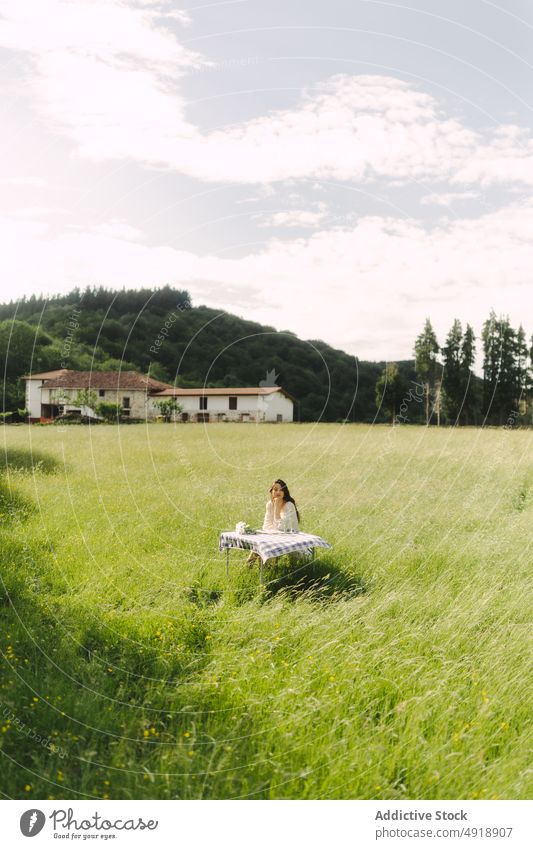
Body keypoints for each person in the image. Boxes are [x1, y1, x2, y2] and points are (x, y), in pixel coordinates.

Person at [246, 479, 301, 567]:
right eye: (275, 489)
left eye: (281, 489)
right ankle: (251, 565)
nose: (278, 492)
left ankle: (267, 568)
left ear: (285, 492)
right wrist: (274, 529)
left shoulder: (289, 505)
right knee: (261, 543)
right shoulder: (269, 504)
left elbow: (282, 529)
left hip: (290, 539)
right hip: (274, 536)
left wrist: (277, 509)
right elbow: (266, 526)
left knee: (268, 544)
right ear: (271, 492)